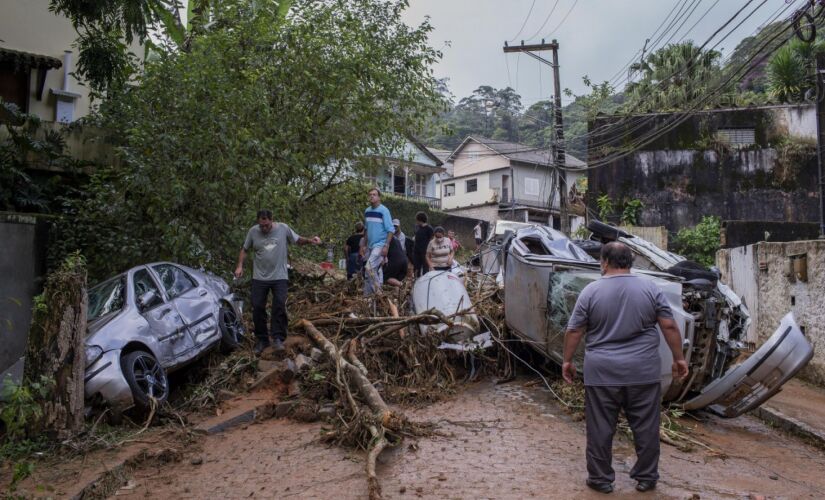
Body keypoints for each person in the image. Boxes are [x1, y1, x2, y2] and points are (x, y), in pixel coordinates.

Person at [562, 242, 689, 495]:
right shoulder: (650, 288)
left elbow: (575, 330)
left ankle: (601, 479)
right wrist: (679, 358)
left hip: (602, 374)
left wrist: (567, 361)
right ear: (630, 262)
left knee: (600, 428)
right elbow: (670, 326)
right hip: (643, 372)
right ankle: (646, 478)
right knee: (646, 427)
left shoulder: (590, 291)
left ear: (605, 262)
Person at [235, 209, 322, 354]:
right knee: (257, 307)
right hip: (259, 277)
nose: (264, 228)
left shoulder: (283, 228)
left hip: (279, 276)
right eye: (261, 225)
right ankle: (262, 339)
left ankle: (278, 338)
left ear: (271, 220)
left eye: (266, 225)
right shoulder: (253, 232)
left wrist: (310, 240)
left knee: (279, 304)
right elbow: (244, 249)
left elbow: (297, 240)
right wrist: (239, 266)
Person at [362, 187, 394, 295]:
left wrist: (386, 246)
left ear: (379, 197)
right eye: (370, 194)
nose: (371, 196)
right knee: (369, 272)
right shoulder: (367, 211)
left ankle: (379, 293)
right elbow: (366, 229)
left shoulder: (384, 211)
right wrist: (363, 245)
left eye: (374, 194)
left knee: (369, 267)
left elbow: (390, 230)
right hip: (370, 245)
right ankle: (367, 297)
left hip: (380, 245)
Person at [413, 211, 433, 276]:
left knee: (425, 268)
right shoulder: (417, 227)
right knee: (416, 268)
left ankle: (425, 281)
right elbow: (416, 236)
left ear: (420, 219)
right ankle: (416, 280)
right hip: (416, 251)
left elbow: (431, 240)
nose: (416, 221)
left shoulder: (429, 228)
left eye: (417, 220)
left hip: (425, 252)